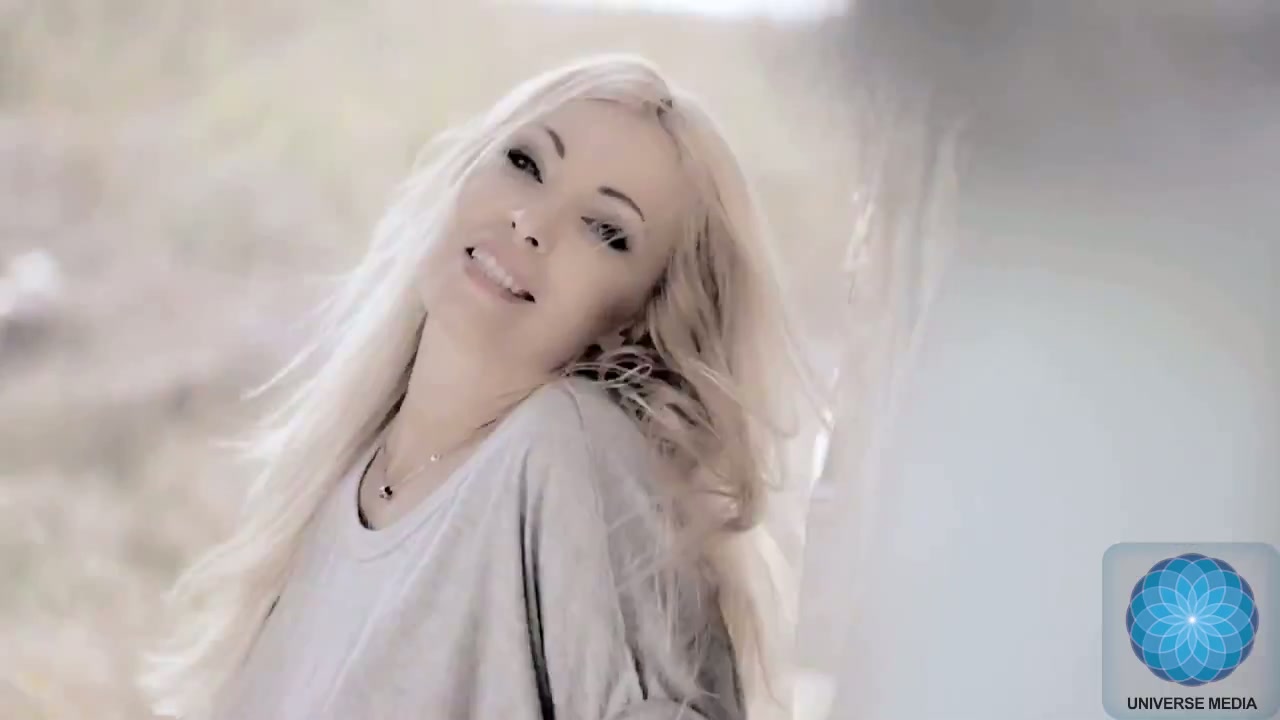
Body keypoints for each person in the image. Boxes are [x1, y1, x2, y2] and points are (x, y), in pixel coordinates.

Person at [138, 53, 824, 720]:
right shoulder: (339, 482)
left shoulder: (566, 450)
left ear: (637, 322)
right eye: (526, 164)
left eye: (605, 230)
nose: (531, 223)